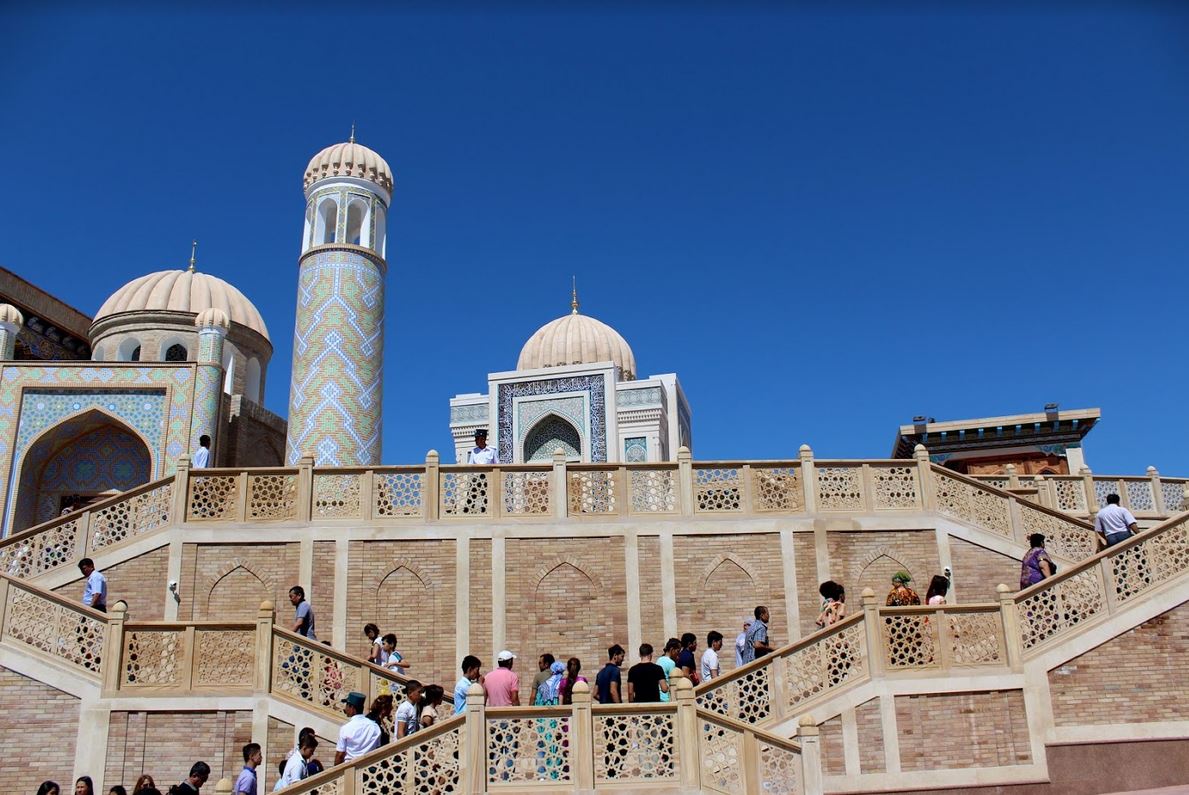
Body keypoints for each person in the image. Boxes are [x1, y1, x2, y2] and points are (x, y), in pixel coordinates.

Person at [335, 691, 381, 764]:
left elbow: (340, 755)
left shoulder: (346, 728)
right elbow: (377, 748)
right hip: (369, 769)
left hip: (350, 769)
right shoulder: (374, 726)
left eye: (347, 705)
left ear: (352, 707)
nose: (345, 708)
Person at [656, 638, 680, 702]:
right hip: (667, 697)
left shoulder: (659, 660)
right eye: (678, 651)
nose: (678, 655)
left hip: (659, 695)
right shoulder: (671, 663)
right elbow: (674, 681)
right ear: (672, 649)